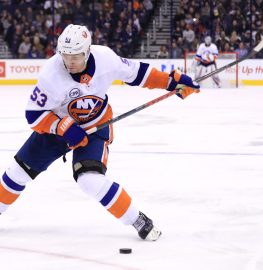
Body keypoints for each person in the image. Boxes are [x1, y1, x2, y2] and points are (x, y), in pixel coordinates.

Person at [0, 24, 200, 241]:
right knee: (17, 172)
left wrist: (172, 82)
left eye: (76, 56)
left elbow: (138, 73)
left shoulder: (105, 58)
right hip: (57, 126)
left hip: (96, 124)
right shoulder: (51, 74)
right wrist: (62, 127)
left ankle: (138, 219)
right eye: (65, 55)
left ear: (87, 51)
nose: (70, 61)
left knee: (89, 180)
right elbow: (34, 114)